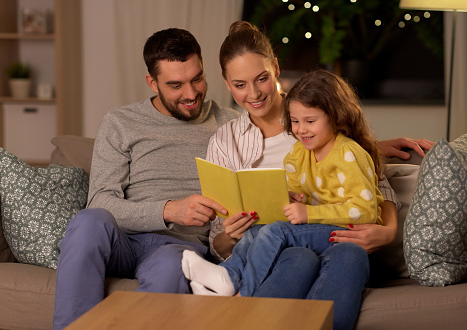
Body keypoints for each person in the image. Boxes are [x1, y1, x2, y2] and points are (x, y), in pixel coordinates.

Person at [183, 21, 434, 330]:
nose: (254, 93)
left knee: (350, 256)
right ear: (225, 82)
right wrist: (230, 235)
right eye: (240, 85)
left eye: (262, 78)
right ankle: (243, 306)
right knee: (299, 258)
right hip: (279, 250)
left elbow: (374, 185)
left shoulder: (316, 110)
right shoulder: (225, 142)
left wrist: (388, 231)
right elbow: (218, 241)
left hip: (338, 238)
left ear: (276, 68)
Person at [52, 28, 241, 329]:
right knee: (88, 221)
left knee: (170, 266)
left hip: (180, 247)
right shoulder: (120, 122)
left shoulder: (232, 124)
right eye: (175, 85)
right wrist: (169, 210)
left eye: (197, 78)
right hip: (123, 241)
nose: (191, 94)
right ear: (152, 82)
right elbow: (100, 201)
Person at [182, 68, 387, 299]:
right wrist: (287, 200)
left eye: (310, 121)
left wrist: (308, 213)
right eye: (295, 121)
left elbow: (365, 211)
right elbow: (301, 197)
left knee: (276, 232)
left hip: (347, 231)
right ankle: (228, 274)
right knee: (258, 230)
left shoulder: (348, 153)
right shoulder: (298, 153)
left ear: (336, 116)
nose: (300, 129)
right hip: (318, 231)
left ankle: (242, 292)